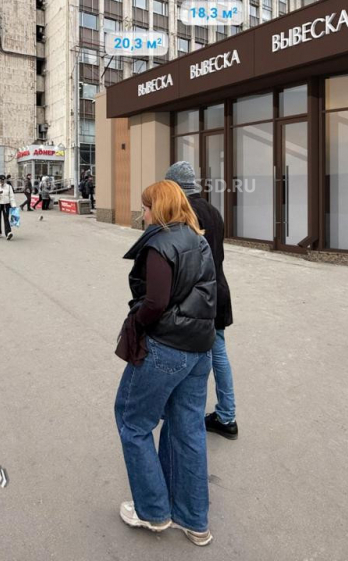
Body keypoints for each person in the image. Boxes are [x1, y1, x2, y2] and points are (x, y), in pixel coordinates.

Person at [114, 180, 216, 547]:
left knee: (133, 422)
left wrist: (137, 322)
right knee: (187, 430)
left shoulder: (161, 244)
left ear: (159, 208)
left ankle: (154, 511)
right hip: (200, 348)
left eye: (146, 207)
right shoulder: (198, 239)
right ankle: (195, 520)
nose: (143, 214)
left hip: (166, 348)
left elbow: (155, 302)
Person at [165, 162, 237, 439]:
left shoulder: (185, 214)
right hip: (219, 290)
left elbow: (185, 262)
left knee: (188, 355)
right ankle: (227, 414)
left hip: (197, 297)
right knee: (218, 354)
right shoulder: (213, 210)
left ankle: (185, 414)